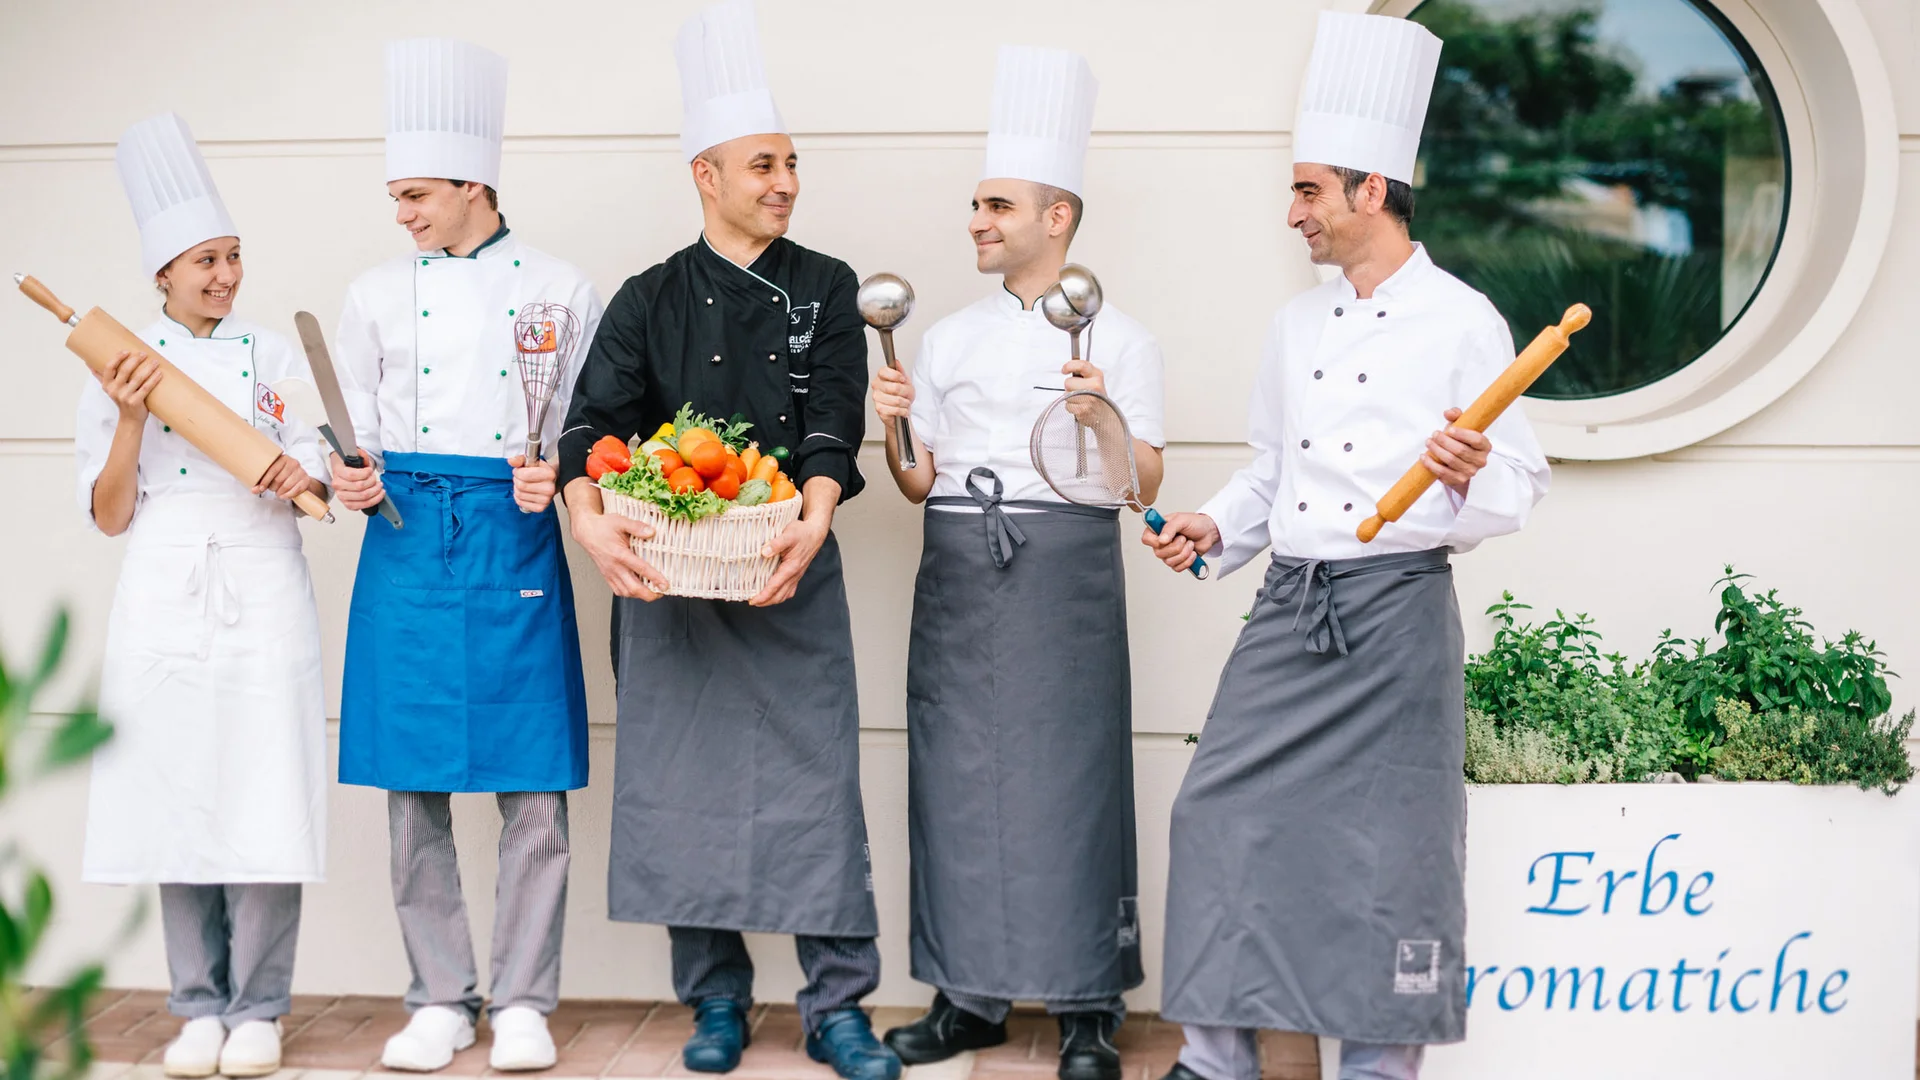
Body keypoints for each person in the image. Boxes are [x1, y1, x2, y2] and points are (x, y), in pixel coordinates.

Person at [1142, 13, 1550, 1080]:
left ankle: (1378, 1066)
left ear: (1373, 190)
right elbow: (1274, 470)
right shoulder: (1297, 326)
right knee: (1218, 810)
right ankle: (1216, 1056)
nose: (1293, 214)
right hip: (1291, 604)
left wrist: (1467, 474)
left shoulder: (1465, 321)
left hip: (1398, 609)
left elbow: (1518, 484)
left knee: (1387, 848)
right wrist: (1214, 527)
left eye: (1309, 190)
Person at [557, 4, 895, 1078]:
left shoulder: (826, 285)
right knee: (678, 792)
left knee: (815, 790)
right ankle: (714, 1000)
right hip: (669, 581)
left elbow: (837, 413)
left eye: (792, 163)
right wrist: (591, 528)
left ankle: (839, 1005)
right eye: (764, 165)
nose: (786, 181)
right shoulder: (648, 298)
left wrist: (815, 509)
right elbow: (585, 427)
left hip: (790, 570)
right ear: (706, 174)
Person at [868, 46, 1164, 1080]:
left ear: (1058, 218)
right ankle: (968, 996)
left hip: (1068, 570)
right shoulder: (942, 339)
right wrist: (894, 427)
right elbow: (917, 483)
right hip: (957, 562)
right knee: (956, 779)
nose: (978, 222)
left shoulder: (1117, 338)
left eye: (998, 205)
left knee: (1077, 779)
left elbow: (1145, 483)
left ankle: (1088, 1004)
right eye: (976, 206)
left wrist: (1103, 416)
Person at [326, 37, 603, 1074]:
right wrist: (352, 477)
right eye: (396, 197)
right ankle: (440, 995)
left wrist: (563, 474)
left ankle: (524, 998)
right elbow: (349, 433)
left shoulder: (565, 288)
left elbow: (590, 432)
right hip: (406, 540)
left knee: (533, 782)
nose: (401, 214)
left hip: (512, 529)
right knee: (413, 782)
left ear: (472, 184)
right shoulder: (369, 294)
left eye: (415, 195)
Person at [76, 111, 329, 1080]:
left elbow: (312, 467)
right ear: (162, 275)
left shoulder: (271, 354)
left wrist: (295, 479)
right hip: (165, 586)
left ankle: (261, 1007)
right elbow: (107, 513)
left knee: (264, 789)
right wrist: (134, 415)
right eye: (204, 262)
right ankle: (196, 1006)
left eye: (231, 257)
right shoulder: (116, 361)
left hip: (261, 582)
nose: (224, 276)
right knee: (177, 792)